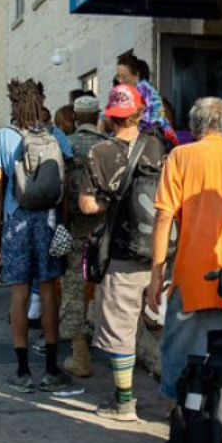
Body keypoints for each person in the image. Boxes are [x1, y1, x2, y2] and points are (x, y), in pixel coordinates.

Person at [144, 96, 222, 443]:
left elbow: (164, 217)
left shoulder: (181, 157)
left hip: (192, 279)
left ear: (195, 128)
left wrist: (156, 273)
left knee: (180, 362)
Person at [0, 78, 81, 395]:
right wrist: (63, 223)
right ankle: (52, 368)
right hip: (49, 221)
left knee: (19, 292)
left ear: (14, 104)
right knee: (49, 289)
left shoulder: (1, 137)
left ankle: (23, 369)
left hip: (16, 223)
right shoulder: (55, 136)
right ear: (41, 102)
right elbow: (65, 185)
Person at [76, 84, 165, 420]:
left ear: (109, 117)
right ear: (140, 112)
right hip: (160, 252)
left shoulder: (99, 153)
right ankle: (173, 402)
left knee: (121, 329)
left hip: (121, 251)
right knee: (164, 327)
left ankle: (125, 403)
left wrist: (112, 203)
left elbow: (86, 205)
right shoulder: (158, 147)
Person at [61, 93, 107, 377]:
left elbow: (62, 189)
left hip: (76, 224)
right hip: (105, 226)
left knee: (75, 285)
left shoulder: (67, 145)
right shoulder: (109, 146)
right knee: (107, 284)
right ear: (98, 115)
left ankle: (80, 354)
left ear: (76, 117)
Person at [115, 52, 179, 147]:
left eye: (124, 76)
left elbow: (157, 118)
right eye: (118, 76)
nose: (120, 81)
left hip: (156, 145)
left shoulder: (144, 89)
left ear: (136, 75)